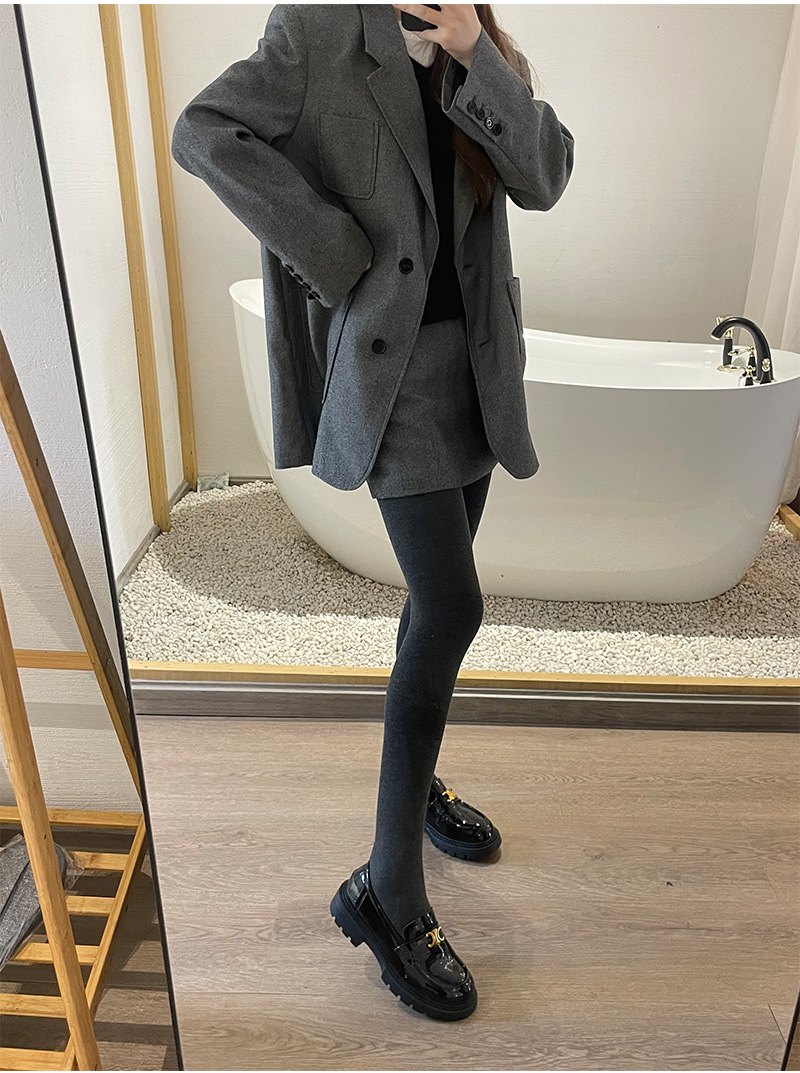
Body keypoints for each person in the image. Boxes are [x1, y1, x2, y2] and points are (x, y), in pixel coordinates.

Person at [171, 2, 574, 1021]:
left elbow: (545, 176)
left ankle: (416, 780)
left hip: (477, 372)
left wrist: (475, 54)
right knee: (451, 606)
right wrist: (328, 245)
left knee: (431, 613)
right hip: (390, 379)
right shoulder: (317, 30)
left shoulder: (481, 49)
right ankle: (386, 888)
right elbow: (203, 129)